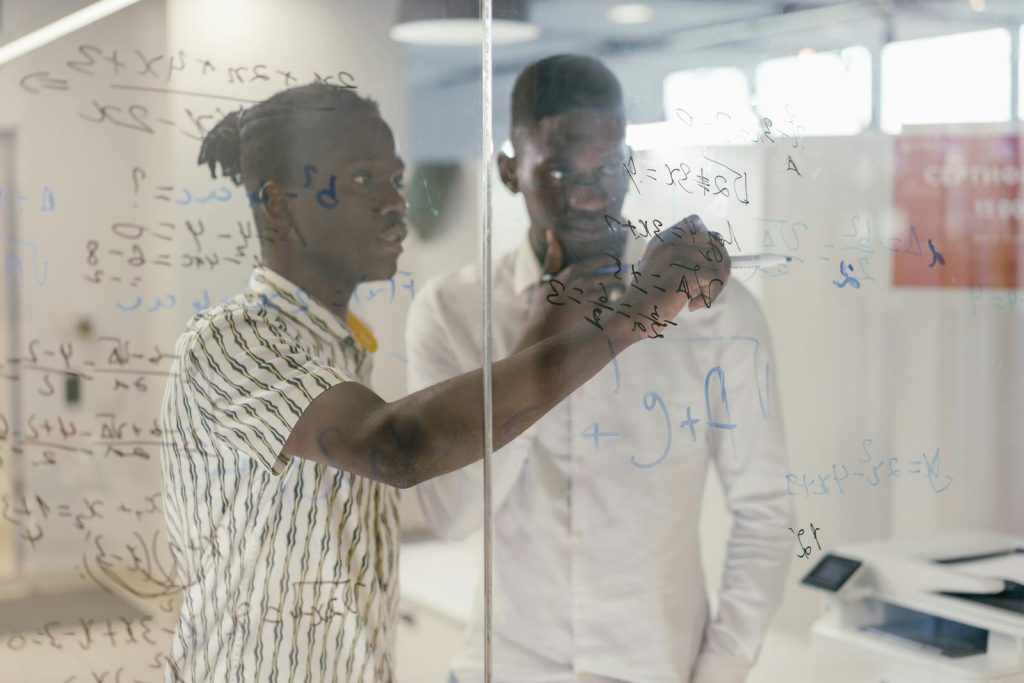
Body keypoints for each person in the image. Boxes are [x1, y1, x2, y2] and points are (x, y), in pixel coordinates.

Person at [159, 83, 729, 682]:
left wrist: (557, 319)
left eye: (394, 180)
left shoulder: (337, 353)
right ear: (279, 205)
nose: (393, 204)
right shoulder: (229, 340)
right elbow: (397, 447)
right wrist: (637, 311)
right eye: (361, 181)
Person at [407, 55, 793, 683]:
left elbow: (766, 509)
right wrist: (543, 336)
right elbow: (451, 516)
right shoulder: (454, 310)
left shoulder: (712, 311)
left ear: (630, 164)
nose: (587, 195)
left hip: (655, 667)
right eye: (557, 170)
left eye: (606, 167)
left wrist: (722, 667)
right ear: (510, 171)